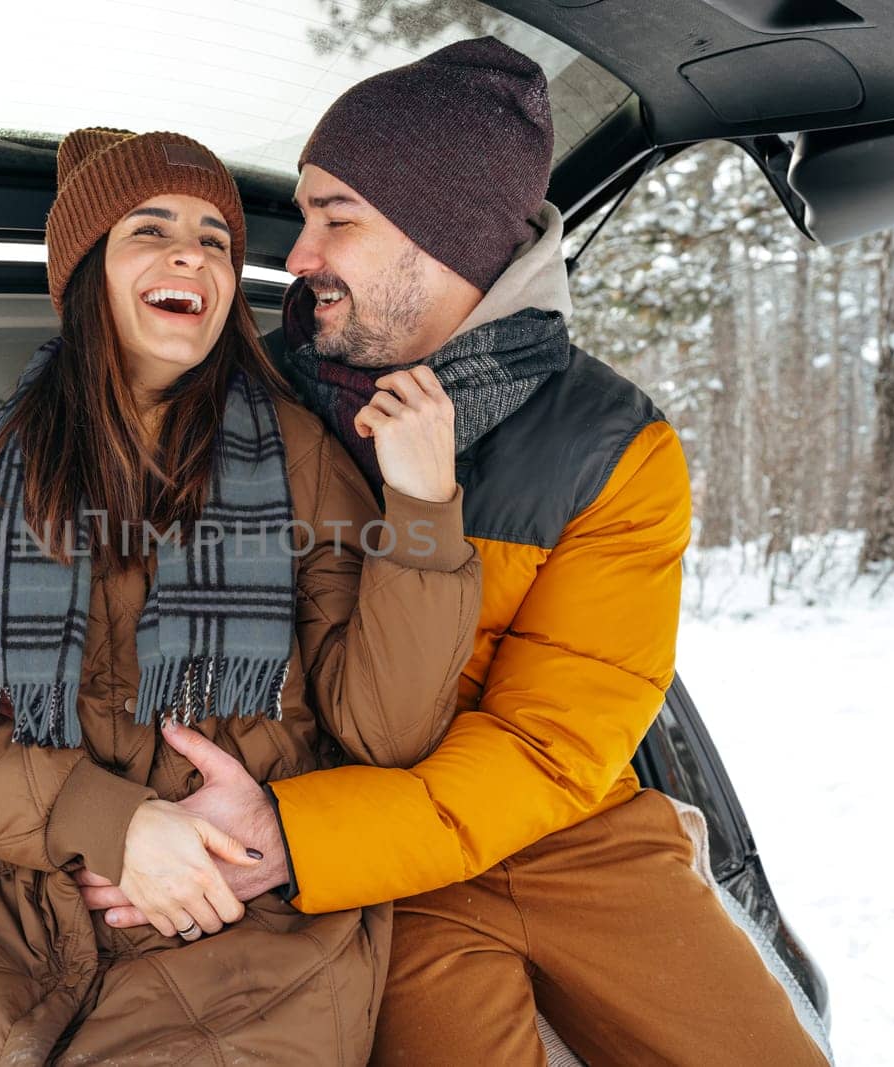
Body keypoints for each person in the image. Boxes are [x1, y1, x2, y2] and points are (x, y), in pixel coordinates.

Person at [79, 41, 834, 1066]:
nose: (299, 257)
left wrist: (295, 836)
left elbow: (550, 746)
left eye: (335, 216)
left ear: (443, 237)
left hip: (556, 835)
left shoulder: (615, 448)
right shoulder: (247, 401)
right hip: (355, 850)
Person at [0, 127, 483, 1063]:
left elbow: (383, 731)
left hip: (243, 920)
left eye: (216, 240)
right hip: (12, 913)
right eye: (148, 230)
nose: (190, 253)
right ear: (88, 273)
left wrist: (423, 507)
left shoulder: (304, 457)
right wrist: (111, 826)